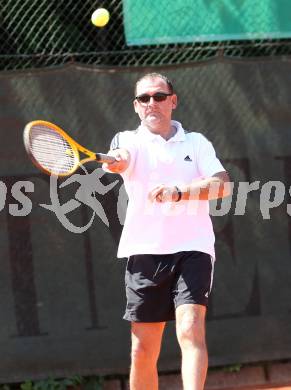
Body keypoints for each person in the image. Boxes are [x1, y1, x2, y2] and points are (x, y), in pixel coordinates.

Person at [103, 73, 230, 390]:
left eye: (159, 96)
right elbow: (121, 158)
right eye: (144, 98)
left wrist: (179, 192)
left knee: (190, 328)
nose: (151, 103)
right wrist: (117, 162)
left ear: (173, 101)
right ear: (136, 106)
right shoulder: (127, 140)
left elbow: (222, 185)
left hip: (193, 248)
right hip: (145, 252)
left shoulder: (196, 143)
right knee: (143, 350)